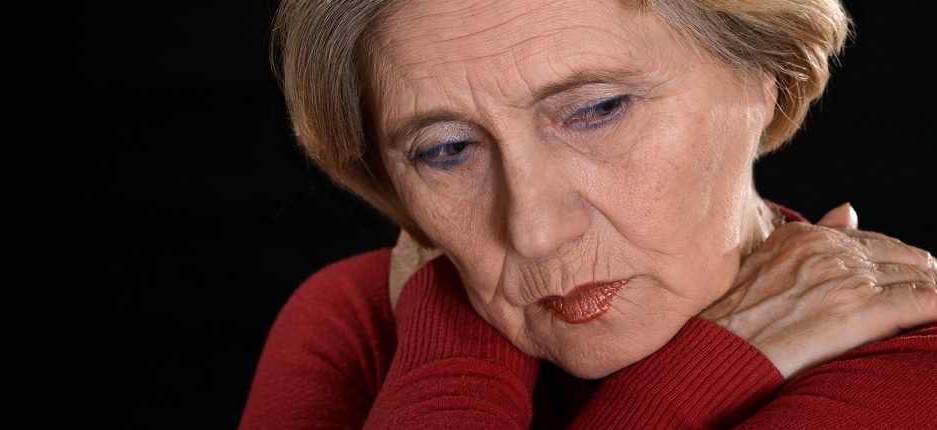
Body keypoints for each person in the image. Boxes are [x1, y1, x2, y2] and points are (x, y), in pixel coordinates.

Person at [240, 0, 937, 428]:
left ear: (767, 74)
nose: (535, 234)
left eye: (598, 109)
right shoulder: (357, 321)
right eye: (447, 150)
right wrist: (453, 347)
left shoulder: (910, 371)